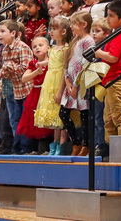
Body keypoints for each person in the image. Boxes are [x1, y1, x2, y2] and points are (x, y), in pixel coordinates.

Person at [94, 1, 121, 152]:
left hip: (119, 80)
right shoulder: (115, 33)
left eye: (111, 16)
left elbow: (113, 57)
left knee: (119, 117)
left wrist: (97, 52)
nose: (108, 19)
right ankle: (111, 149)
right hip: (111, 80)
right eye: (107, 15)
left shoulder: (120, 33)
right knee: (108, 119)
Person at [0, 19, 35, 155]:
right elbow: (6, 70)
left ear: (13, 33)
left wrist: (8, 66)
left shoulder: (22, 47)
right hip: (9, 87)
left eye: (3, 31)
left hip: (23, 88)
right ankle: (17, 147)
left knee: (24, 120)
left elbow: (26, 68)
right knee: (13, 120)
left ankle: (26, 148)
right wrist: (1, 77)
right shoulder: (4, 49)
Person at [62, 12, 95, 156]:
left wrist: (75, 85)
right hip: (71, 83)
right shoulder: (75, 41)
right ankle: (76, 141)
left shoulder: (88, 41)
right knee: (63, 113)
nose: (71, 27)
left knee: (84, 115)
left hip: (81, 84)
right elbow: (67, 64)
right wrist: (68, 82)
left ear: (84, 25)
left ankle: (86, 145)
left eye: (73, 24)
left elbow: (85, 64)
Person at [35, 16, 69, 155]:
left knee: (61, 115)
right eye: (51, 28)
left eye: (55, 29)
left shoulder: (66, 48)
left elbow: (64, 67)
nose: (51, 31)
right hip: (50, 81)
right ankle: (54, 144)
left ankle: (62, 145)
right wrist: (43, 63)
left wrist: (61, 90)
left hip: (59, 81)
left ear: (64, 32)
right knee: (55, 116)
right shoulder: (53, 48)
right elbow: (52, 61)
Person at [18, 36, 53, 153]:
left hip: (47, 92)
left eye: (40, 45)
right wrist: (36, 72)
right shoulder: (33, 63)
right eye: (34, 46)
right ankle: (33, 148)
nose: (37, 48)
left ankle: (47, 147)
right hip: (35, 93)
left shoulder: (52, 61)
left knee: (46, 119)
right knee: (33, 120)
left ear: (48, 48)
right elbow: (24, 78)